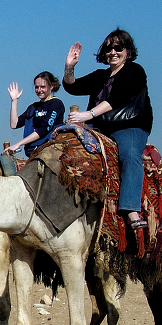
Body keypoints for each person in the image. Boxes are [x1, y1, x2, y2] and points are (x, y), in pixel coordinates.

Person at [65, 28, 153, 230]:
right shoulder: (100, 76)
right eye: (108, 48)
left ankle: (130, 209)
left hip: (129, 126)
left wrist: (89, 115)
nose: (113, 52)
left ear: (127, 50)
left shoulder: (135, 71)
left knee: (130, 155)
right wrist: (69, 67)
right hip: (99, 127)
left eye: (118, 47)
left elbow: (117, 98)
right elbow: (73, 86)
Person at [4, 72, 65, 156]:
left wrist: (18, 144)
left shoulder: (56, 104)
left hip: (49, 150)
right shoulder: (33, 107)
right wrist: (14, 101)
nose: (39, 90)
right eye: (37, 87)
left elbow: (44, 129)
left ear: (51, 86)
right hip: (32, 152)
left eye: (43, 87)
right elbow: (14, 124)